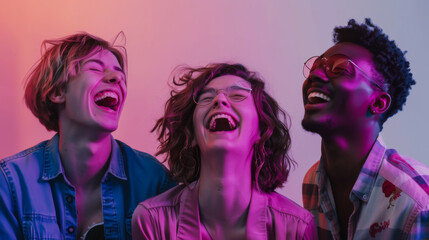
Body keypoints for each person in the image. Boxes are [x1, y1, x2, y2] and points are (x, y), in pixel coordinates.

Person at [0, 32, 176, 239]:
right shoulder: (10, 183)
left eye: (120, 74)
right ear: (57, 92)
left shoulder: (154, 181)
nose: (117, 78)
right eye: (95, 68)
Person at [132, 63, 317, 239]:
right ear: (192, 134)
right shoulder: (152, 221)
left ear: (262, 129)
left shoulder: (297, 228)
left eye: (237, 95)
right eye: (206, 97)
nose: (219, 99)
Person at [301, 18, 429, 239]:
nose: (314, 75)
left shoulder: (417, 203)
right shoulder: (312, 181)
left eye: (339, 68)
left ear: (378, 103)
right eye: (316, 66)